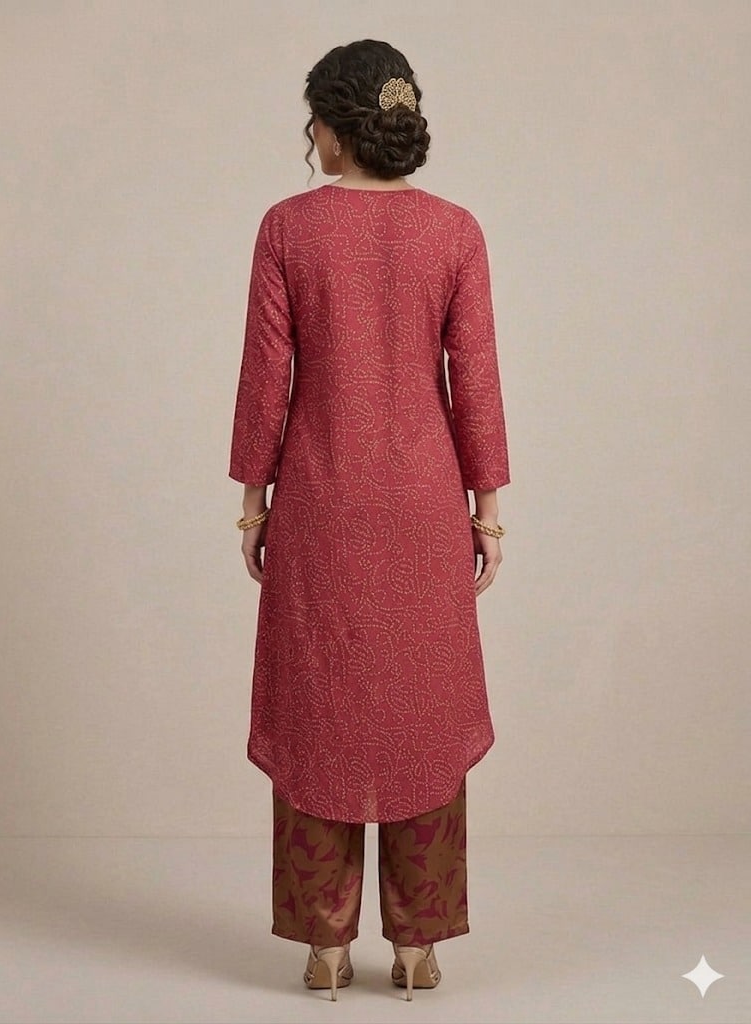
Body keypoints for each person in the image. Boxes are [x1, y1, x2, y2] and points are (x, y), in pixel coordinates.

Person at [228, 39, 510, 1001]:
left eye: (312, 120)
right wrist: (489, 511)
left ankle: (324, 946)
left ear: (337, 130)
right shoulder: (455, 231)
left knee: (321, 706)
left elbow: (266, 377)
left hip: (320, 497)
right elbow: (476, 378)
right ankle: (419, 948)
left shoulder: (287, 228)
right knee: (421, 708)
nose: (308, 137)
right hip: (426, 502)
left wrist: (253, 498)